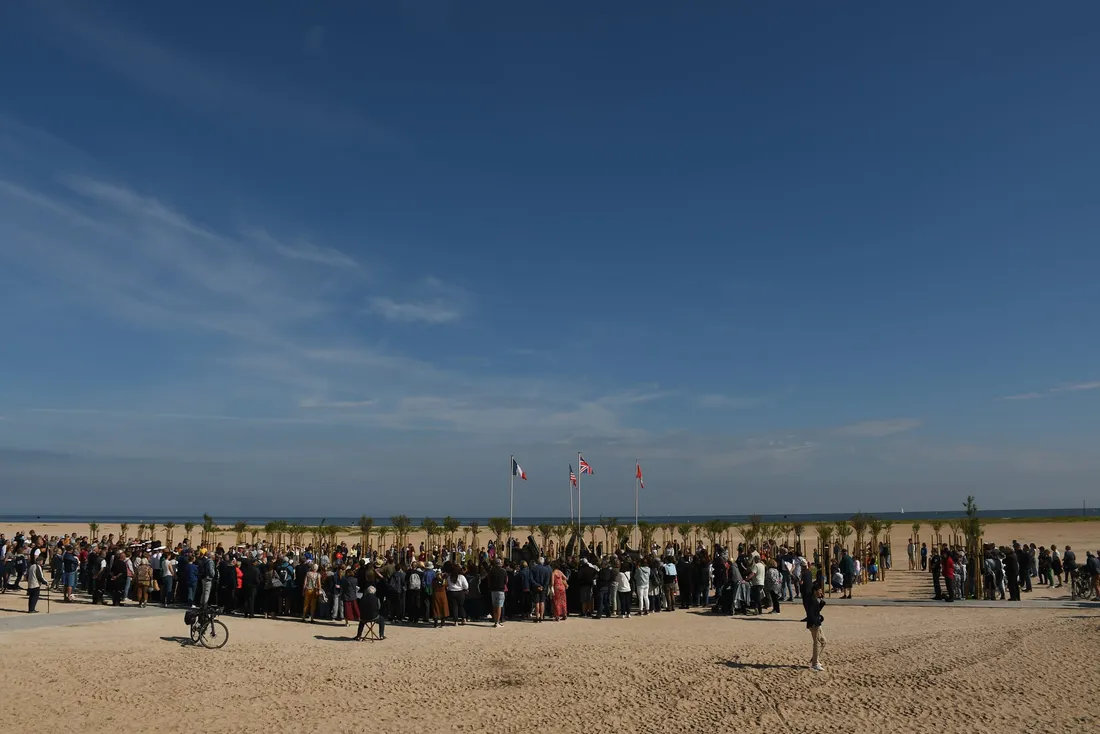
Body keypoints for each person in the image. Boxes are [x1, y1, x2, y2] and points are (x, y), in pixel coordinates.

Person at [800, 564, 826, 671]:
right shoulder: (811, 600)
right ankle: (815, 663)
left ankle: (815, 658)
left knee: (824, 642)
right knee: (817, 643)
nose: (821, 592)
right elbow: (811, 614)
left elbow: (817, 611)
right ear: (815, 591)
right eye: (819, 591)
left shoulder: (816, 600)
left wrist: (822, 603)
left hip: (817, 622)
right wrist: (816, 621)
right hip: (814, 624)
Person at [529, 557, 551, 623]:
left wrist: (537, 585)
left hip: (535, 588)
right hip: (543, 588)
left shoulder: (533, 569)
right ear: (543, 562)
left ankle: (537, 617)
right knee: (542, 602)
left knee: (537, 602)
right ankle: (541, 616)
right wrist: (543, 586)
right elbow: (547, 580)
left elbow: (531, 579)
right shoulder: (546, 569)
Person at [488, 558, 507, 627]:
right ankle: (497, 622)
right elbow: (506, 580)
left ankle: (495, 619)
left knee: (494, 606)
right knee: (499, 606)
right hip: (500, 590)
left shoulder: (491, 571)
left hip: (493, 590)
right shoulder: (503, 571)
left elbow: (489, 580)